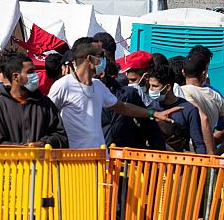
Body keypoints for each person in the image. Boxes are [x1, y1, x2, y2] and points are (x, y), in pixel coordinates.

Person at [48, 38, 179, 149]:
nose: (105, 60)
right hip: (74, 162)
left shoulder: (98, 86)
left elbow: (123, 107)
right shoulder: (63, 85)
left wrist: (153, 113)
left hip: (100, 159)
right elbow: (46, 115)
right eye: (101, 56)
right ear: (90, 59)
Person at [0, 53, 67, 148]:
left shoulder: (46, 104)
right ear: (15, 77)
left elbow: (61, 137)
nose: (35, 75)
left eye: (35, 71)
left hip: (41, 162)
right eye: (30, 72)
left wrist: (44, 143)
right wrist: (26, 149)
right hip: (11, 162)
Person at [181, 53, 224, 154]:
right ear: (204, 73)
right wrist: (216, 153)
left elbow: (203, 119)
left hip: (191, 157)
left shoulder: (181, 92)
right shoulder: (215, 95)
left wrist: (210, 154)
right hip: (208, 158)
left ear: (183, 72)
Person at [147, 63, 207, 154]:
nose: (150, 90)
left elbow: (198, 143)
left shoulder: (189, 109)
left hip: (179, 164)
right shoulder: (150, 108)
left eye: (155, 86)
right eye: (150, 85)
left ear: (167, 87)